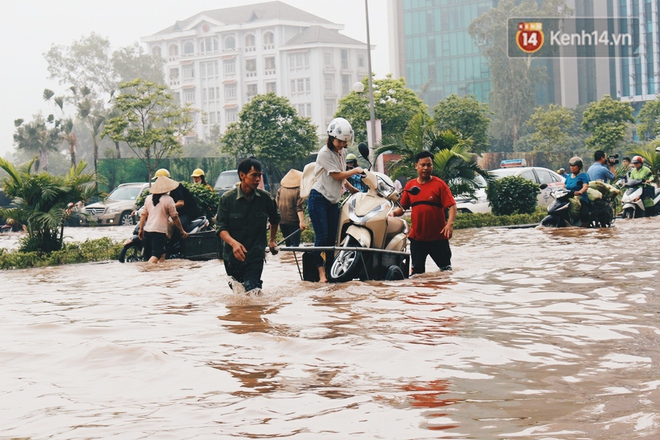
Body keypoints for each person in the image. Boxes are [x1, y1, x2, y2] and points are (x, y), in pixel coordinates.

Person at [307, 117, 363, 283]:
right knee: (322, 237)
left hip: (332, 201)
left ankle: (332, 272)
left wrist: (352, 189)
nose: (342, 145)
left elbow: (340, 175)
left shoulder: (343, 152)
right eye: (339, 141)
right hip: (318, 198)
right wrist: (354, 171)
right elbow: (337, 174)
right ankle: (321, 273)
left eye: (345, 142)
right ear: (331, 137)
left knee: (332, 238)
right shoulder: (324, 153)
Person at [216, 157, 281, 293]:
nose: (258, 179)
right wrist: (234, 244)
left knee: (252, 291)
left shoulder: (265, 198)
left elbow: (275, 219)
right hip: (232, 258)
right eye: (254, 175)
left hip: (255, 256)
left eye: (259, 176)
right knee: (238, 294)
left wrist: (272, 241)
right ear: (242, 175)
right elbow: (221, 228)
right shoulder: (227, 199)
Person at [390, 151, 457, 274]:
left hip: (438, 238)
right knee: (417, 274)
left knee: (446, 272)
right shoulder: (410, 186)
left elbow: (452, 206)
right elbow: (402, 208)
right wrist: (393, 213)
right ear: (416, 166)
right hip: (417, 239)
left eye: (429, 165)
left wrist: (450, 224)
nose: (426, 168)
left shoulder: (439, 185)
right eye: (423, 165)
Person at [138, 175, 188, 263]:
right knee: (156, 255)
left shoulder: (148, 199)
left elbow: (143, 215)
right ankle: (146, 271)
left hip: (148, 231)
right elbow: (175, 217)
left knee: (162, 254)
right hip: (159, 232)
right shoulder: (168, 200)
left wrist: (141, 229)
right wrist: (182, 230)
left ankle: (160, 272)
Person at [276, 169, 306, 247]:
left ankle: (287, 258)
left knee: (288, 245)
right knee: (295, 245)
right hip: (294, 221)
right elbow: (299, 208)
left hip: (282, 221)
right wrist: (302, 221)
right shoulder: (299, 191)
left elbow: (276, 206)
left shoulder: (281, 190)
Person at [564, 156, 591, 226]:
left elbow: (585, 186)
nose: (572, 167)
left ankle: (585, 225)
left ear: (579, 167)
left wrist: (580, 192)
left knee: (584, 213)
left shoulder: (583, 175)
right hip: (569, 197)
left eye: (574, 166)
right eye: (571, 166)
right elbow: (564, 186)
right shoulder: (568, 176)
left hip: (580, 198)